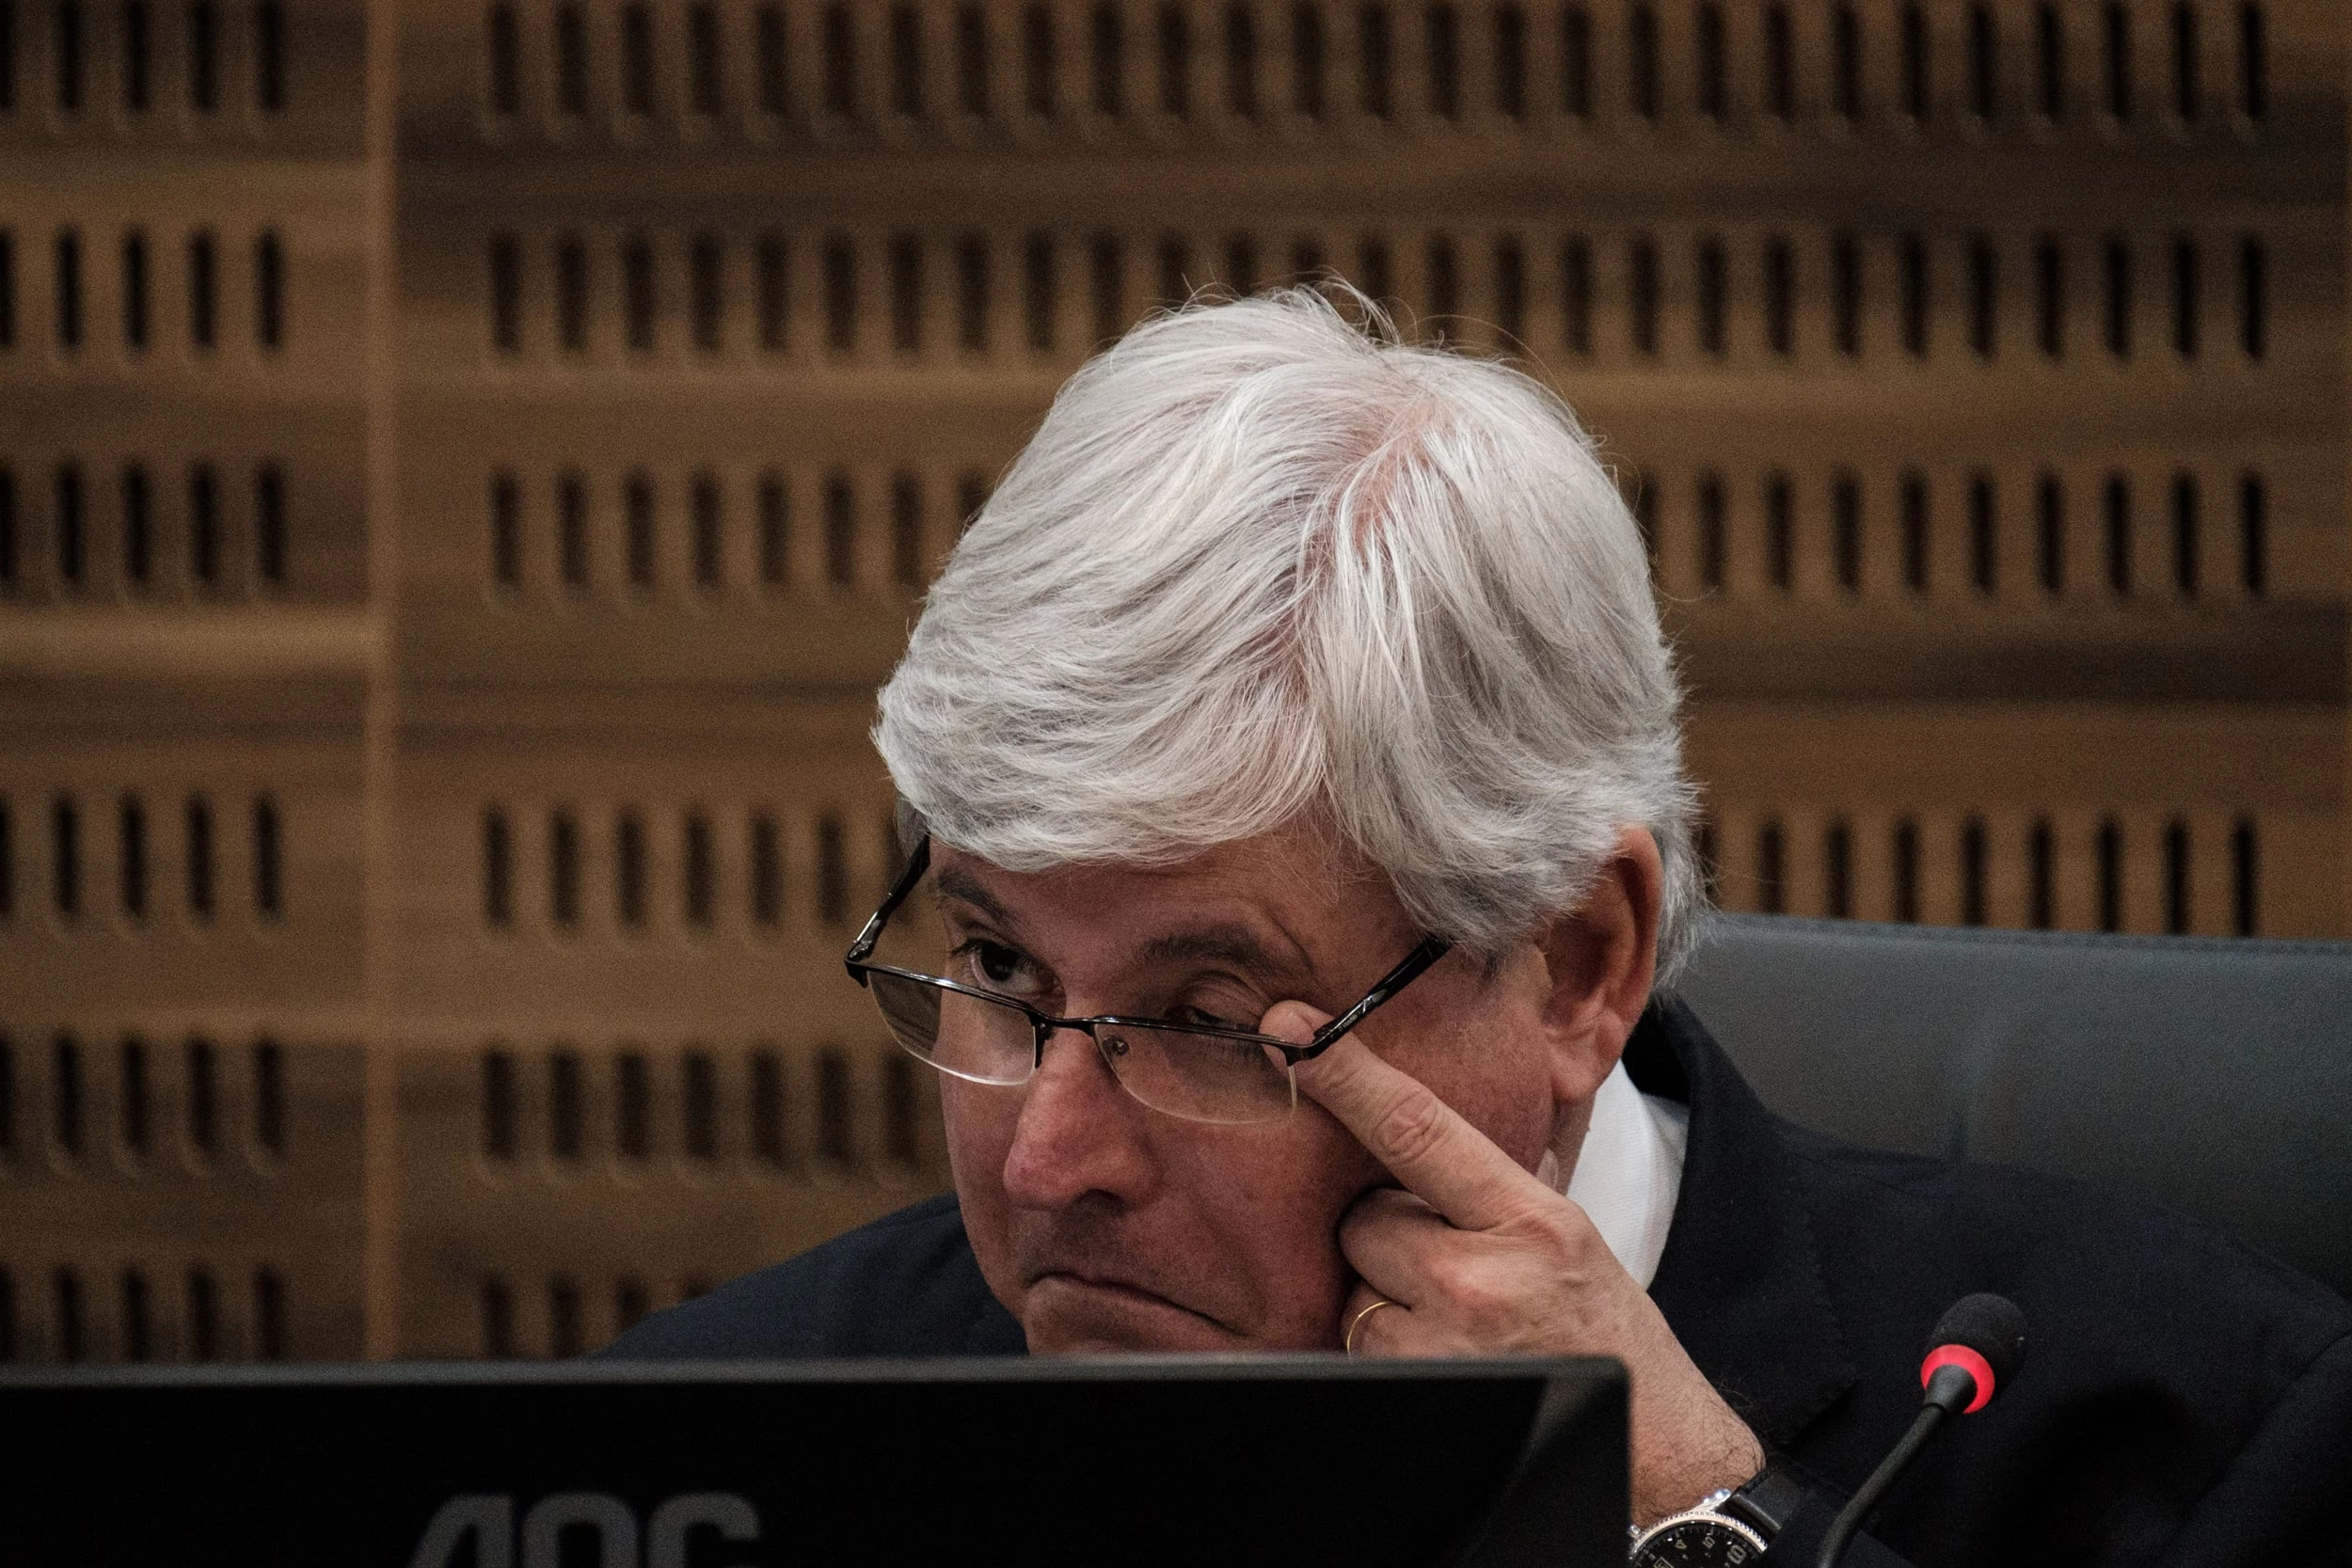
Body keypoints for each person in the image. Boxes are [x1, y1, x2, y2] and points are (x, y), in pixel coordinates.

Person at [609, 291, 2352, 1565]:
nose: (1053, 1158)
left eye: (1212, 1015)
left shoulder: (2185, 1432)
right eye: (999, 970)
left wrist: (1695, 1515)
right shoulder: (701, 1457)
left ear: (1582, 962)